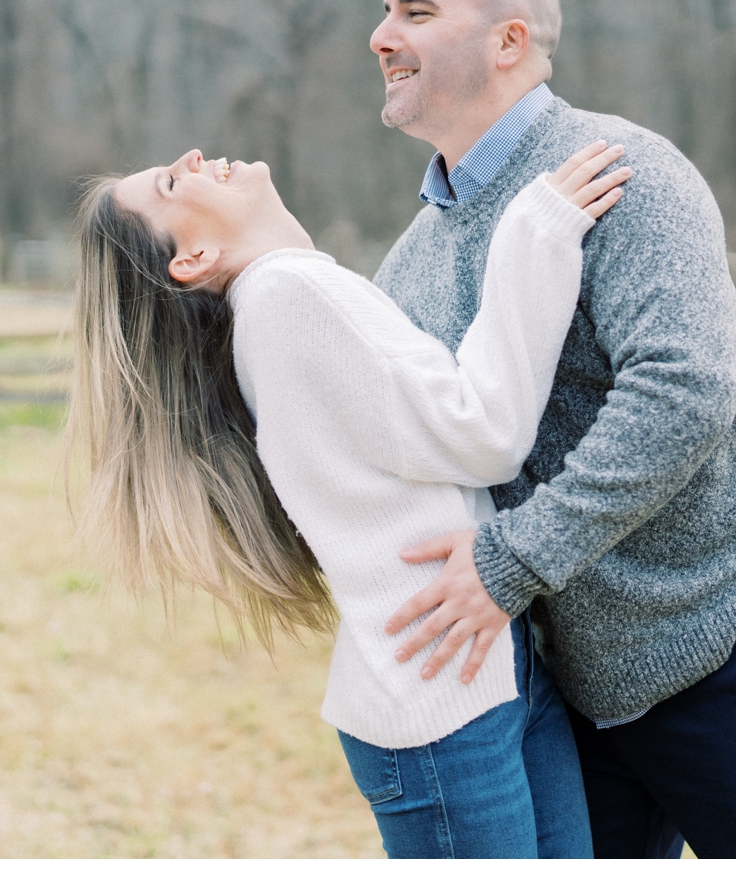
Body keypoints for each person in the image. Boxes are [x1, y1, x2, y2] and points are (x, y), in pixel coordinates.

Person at [368, 0, 736, 859]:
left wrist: (511, 560)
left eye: (415, 11)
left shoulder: (625, 173)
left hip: (733, 644)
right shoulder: (411, 258)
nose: (380, 35)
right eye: (386, 12)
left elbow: (685, 389)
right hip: (574, 692)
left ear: (508, 40)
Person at [65, 141, 632, 858]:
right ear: (193, 259)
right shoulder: (287, 294)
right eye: (172, 182)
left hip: (487, 664)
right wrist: (536, 231)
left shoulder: (286, 296)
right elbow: (482, 431)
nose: (195, 154)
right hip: (440, 708)